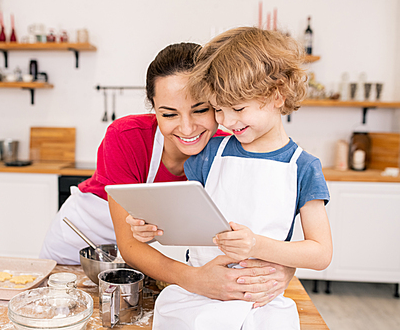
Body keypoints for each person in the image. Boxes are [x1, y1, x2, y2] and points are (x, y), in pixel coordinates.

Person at [42, 42, 295, 306]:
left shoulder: (227, 153)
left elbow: (256, 227)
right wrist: (196, 279)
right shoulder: (127, 137)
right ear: (153, 108)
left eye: (200, 110)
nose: (187, 128)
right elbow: (129, 246)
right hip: (76, 255)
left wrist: (281, 269)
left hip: (146, 265)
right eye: (169, 114)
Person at [139, 27, 332, 330]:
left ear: (277, 95)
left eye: (238, 109)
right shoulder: (210, 154)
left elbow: (320, 253)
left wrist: (255, 245)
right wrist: (151, 226)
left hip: (261, 302)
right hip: (200, 296)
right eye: (218, 109)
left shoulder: (303, 167)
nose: (226, 122)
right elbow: (188, 219)